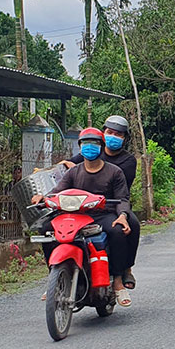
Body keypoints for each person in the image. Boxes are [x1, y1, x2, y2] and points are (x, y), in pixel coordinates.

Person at [40, 127, 135, 307]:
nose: (89, 147)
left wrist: (122, 215)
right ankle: (54, 277)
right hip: (76, 215)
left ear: (101, 146)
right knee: (45, 230)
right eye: (85, 143)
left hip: (103, 215)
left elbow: (123, 198)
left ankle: (117, 282)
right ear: (80, 147)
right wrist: (45, 198)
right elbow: (57, 190)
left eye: (94, 143)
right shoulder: (73, 172)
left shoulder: (115, 172)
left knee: (118, 232)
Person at [59, 114, 141, 289]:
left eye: (118, 134)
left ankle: (125, 268)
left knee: (129, 225)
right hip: (82, 207)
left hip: (113, 204)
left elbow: (121, 192)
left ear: (125, 138)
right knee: (48, 230)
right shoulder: (92, 151)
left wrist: (122, 213)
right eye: (110, 132)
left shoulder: (125, 163)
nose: (113, 137)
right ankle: (58, 276)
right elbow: (70, 165)